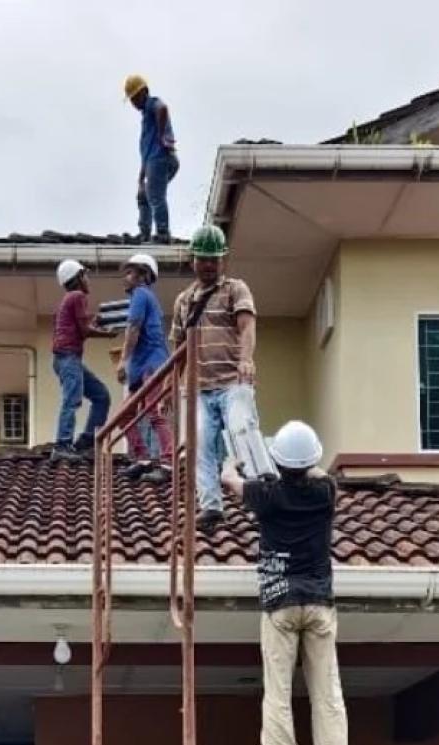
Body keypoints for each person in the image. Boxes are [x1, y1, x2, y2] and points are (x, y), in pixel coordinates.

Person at [222, 420, 345, 745]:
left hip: (280, 602)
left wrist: (232, 462)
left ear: (279, 462)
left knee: (278, 689)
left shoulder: (266, 495)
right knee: (327, 692)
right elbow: (319, 471)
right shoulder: (325, 492)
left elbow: (229, 480)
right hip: (319, 601)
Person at [171, 224, 274, 530]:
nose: (209, 265)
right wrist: (170, 387)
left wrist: (246, 360)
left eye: (214, 259)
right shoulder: (183, 301)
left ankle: (262, 498)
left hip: (232, 383)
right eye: (203, 259)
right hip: (198, 389)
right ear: (193, 260)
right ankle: (211, 506)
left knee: (243, 432)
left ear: (222, 260)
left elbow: (247, 326)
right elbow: (178, 349)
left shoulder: (235, 289)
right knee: (200, 444)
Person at [51, 259, 118, 457]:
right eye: (85, 275)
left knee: (101, 396)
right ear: (78, 278)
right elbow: (84, 331)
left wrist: (94, 324)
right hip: (68, 357)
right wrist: (107, 334)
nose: (88, 280)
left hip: (65, 358)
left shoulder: (68, 299)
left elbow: (80, 327)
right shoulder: (77, 296)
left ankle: (86, 442)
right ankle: (62, 445)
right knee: (72, 400)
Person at [116, 252, 173, 462]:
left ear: (143, 275)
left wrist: (123, 361)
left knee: (155, 411)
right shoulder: (143, 297)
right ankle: (142, 457)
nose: (125, 277)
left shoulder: (141, 293)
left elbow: (133, 328)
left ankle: (169, 457)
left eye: (130, 273)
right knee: (124, 416)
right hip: (143, 368)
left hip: (152, 364)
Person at [123, 74, 178, 244]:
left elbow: (163, 108)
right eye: (131, 100)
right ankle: (144, 234)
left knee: (155, 195)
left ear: (144, 92)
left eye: (135, 97)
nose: (133, 103)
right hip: (152, 161)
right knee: (143, 196)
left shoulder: (152, 103)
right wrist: (141, 176)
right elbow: (147, 152)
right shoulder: (146, 116)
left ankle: (163, 233)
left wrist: (162, 137)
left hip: (160, 159)